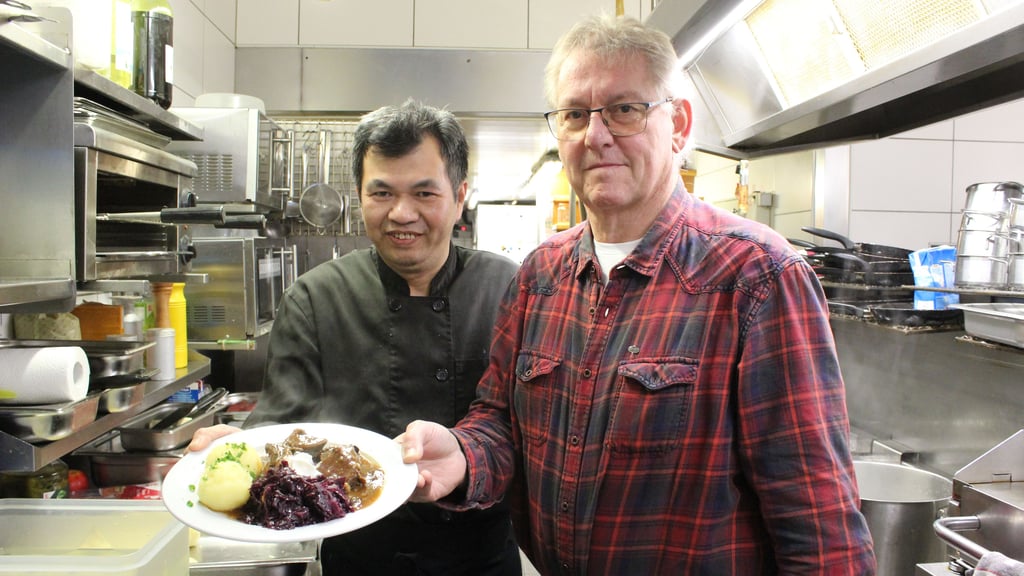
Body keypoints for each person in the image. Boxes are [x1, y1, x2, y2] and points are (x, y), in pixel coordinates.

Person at [398, 15, 877, 575]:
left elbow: (818, 527)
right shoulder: (539, 276)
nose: (595, 135)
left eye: (624, 110)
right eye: (575, 114)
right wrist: (461, 452)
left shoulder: (758, 276)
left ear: (678, 124)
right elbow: (500, 420)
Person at [188, 100, 522, 576]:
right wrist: (240, 451)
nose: (401, 214)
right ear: (360, 194)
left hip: (481, 556)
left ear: (460, 194)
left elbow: (532, 430)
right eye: (381, 193)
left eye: (424, 193)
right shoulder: (315, 297)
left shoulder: (511, 289)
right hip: (358, 556)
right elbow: (283, 426)